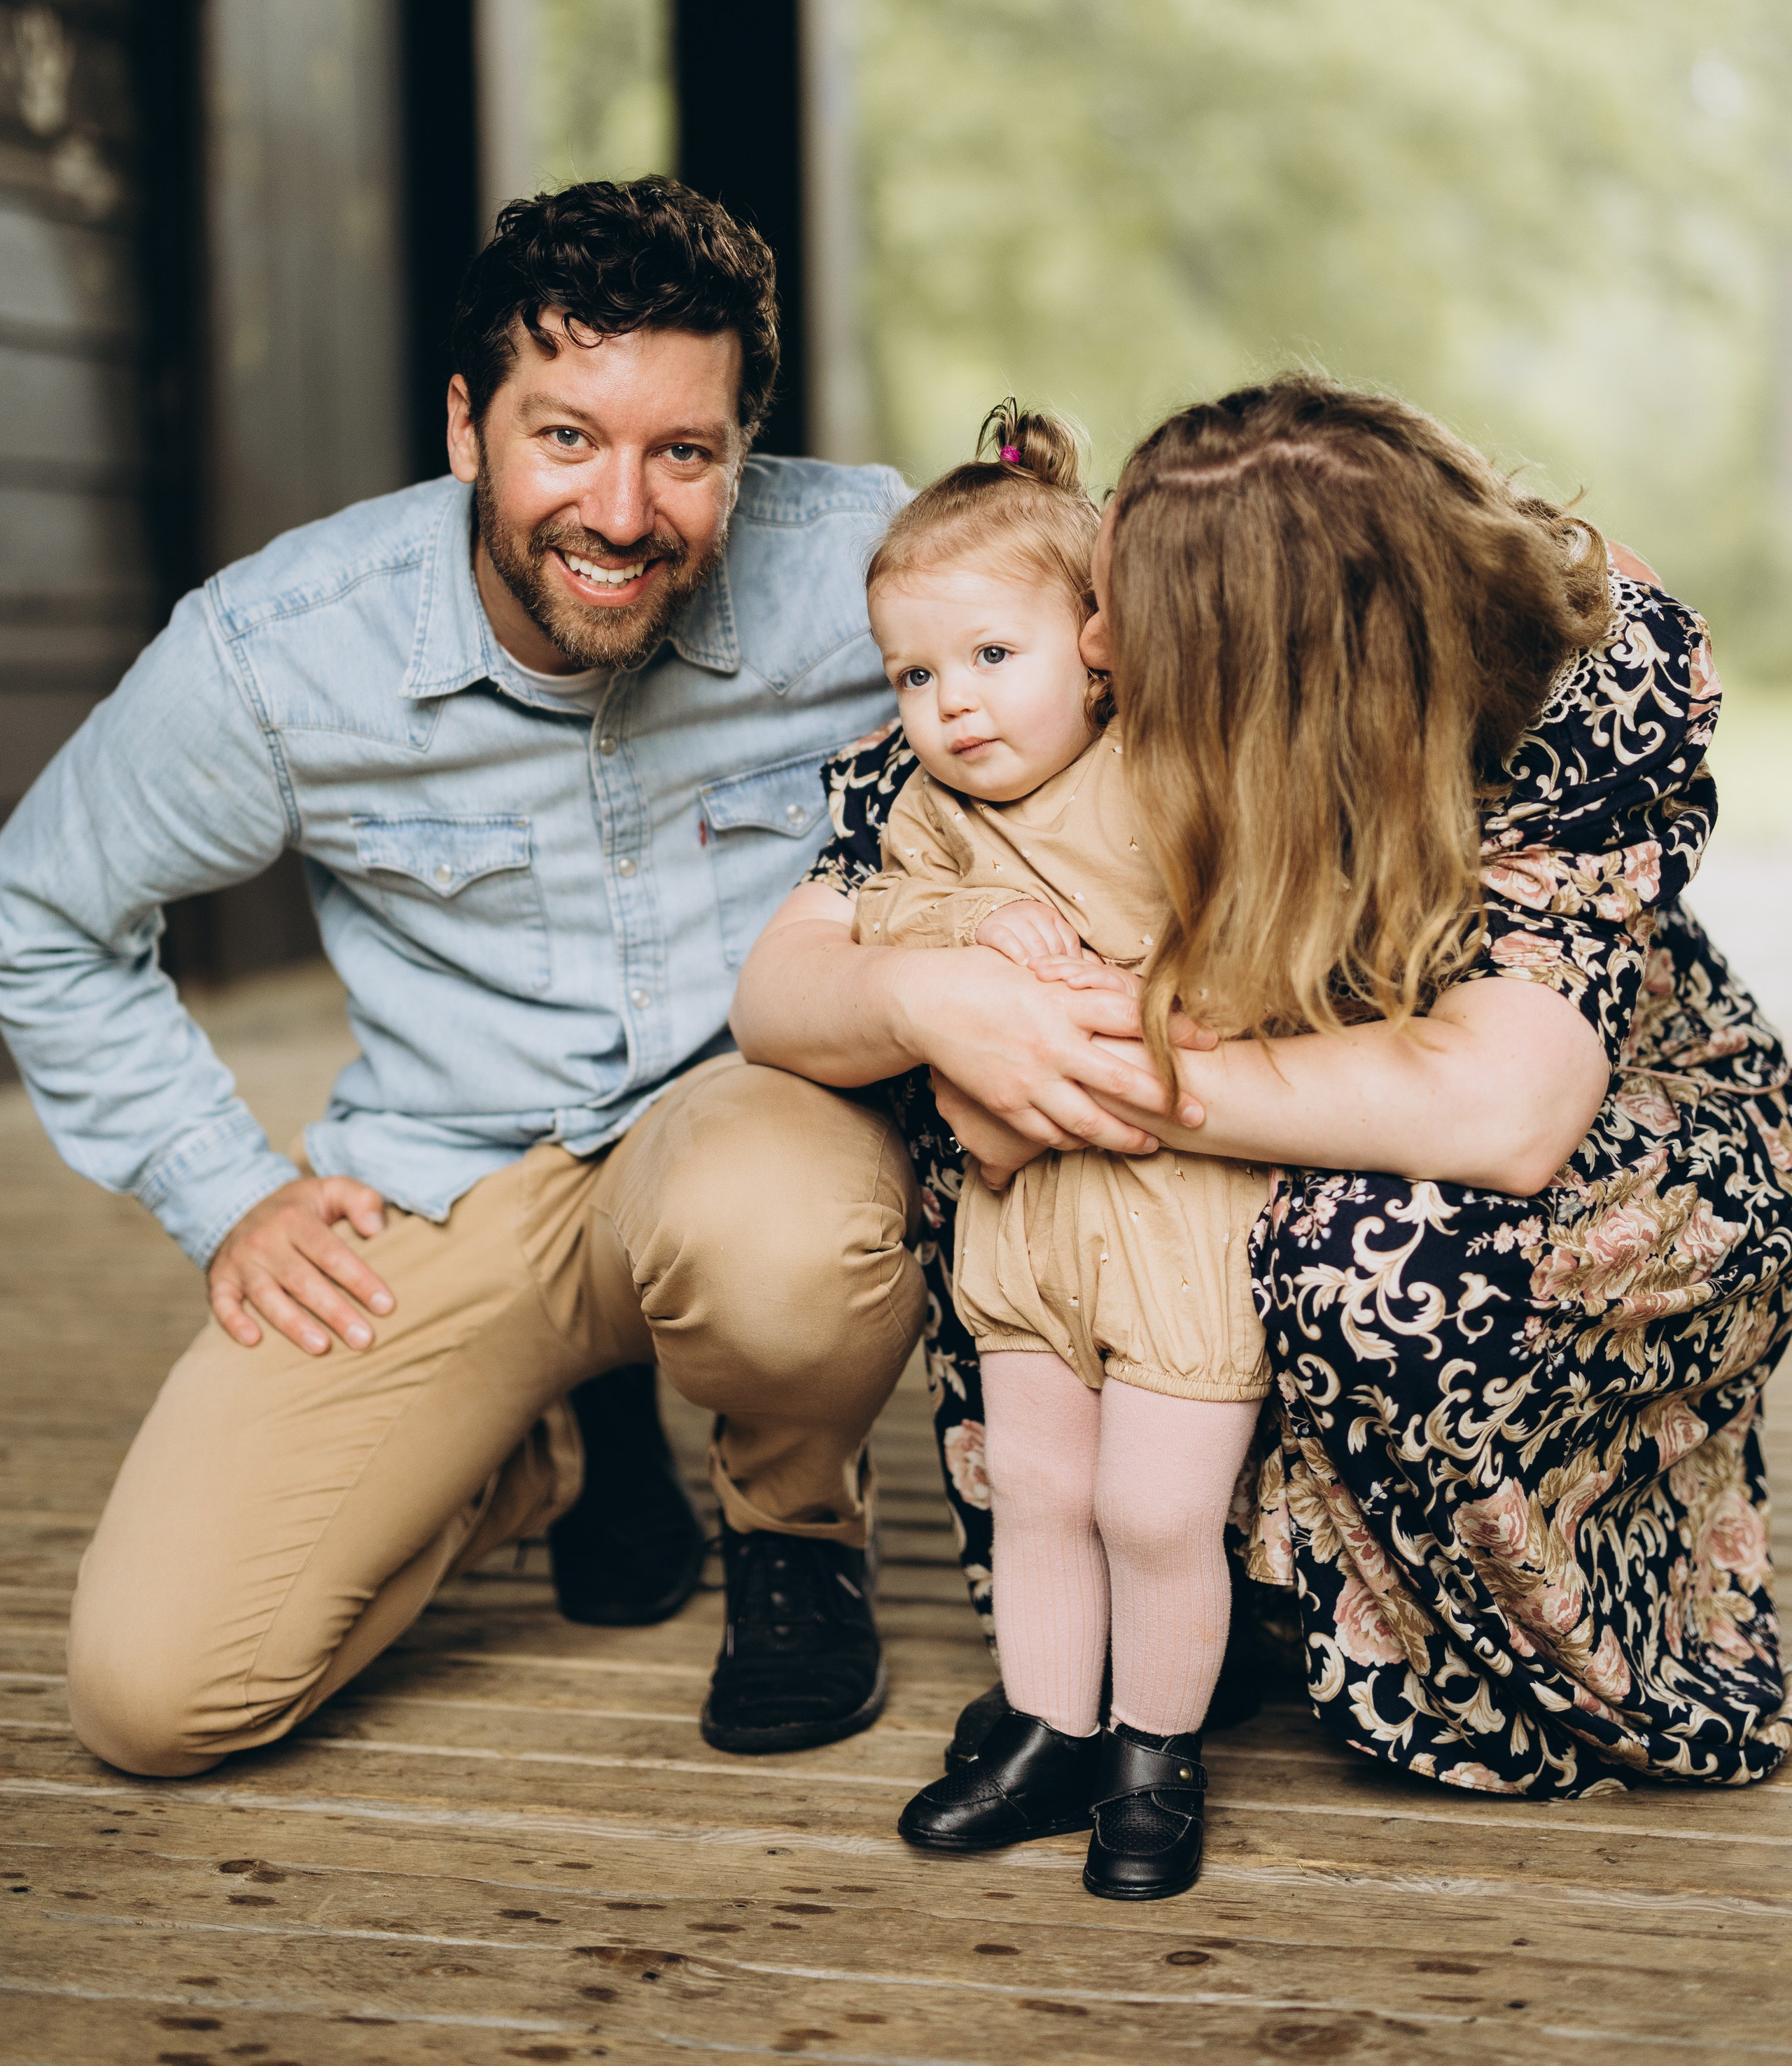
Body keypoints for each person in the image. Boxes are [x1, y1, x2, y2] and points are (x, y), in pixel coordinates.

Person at [734, 375, 1792, 1800]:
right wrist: (931, 1002)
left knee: (1361, 1253)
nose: (1090, 646)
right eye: (1096, 592)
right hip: (1235, 1052)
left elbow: (1499, 1107)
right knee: (991, 1118)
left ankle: (1444, 1631)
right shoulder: (1078, 665)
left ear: (1286, 666)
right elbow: (799, 970)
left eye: (1122, 622)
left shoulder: (1575, 672)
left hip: (1601, 1108)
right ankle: (1151, 1620)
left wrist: (1061, 1061)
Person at [0, 177, 925, 1777]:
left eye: (682, 454)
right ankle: (541, 1451)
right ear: (465, 428)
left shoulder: (864, 569)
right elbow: (44, 912)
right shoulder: (283, 652)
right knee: (154, 1699)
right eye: (565, 437)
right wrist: (220, 1188)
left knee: (774, 1240)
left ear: (743, 455)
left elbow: (1121, 670)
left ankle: (791, 1527)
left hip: (743, 1136)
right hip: (450, 1180)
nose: (622, 514)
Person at [841, 406, 1266, 1897]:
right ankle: (1045, 1728)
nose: (950, 705)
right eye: (913, 674)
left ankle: (1154, 1757)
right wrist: (971, 926)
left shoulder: (1166, 774)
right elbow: (877, 921)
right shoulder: (932, 819)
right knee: (1032, 1482)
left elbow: (1257, 932)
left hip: (1171, 1213)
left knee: (1153, 1507)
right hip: (1021, 1216)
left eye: (989, 657)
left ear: (1096, 644)